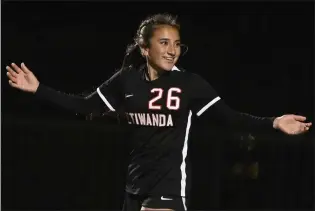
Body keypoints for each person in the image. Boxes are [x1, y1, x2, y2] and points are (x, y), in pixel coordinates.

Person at [6, 13, 312, 211]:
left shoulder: (189, 84)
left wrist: (274, 122)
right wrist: (39, 90)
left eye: (176, 44)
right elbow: (86, 106)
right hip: (134, 185)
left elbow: (230, 118)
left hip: (167, 188)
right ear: (144, 48)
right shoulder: (126, 80)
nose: (172, 50)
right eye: (163, 42)